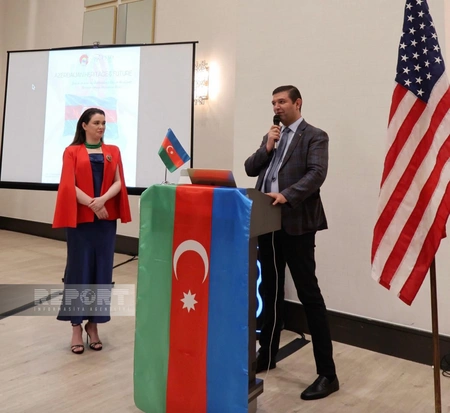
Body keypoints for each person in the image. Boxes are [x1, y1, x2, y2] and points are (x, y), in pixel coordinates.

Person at [244, 85, 338, 400]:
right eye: (273, 102)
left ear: (297, 103)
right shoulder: (272, 135)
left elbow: (316, 174)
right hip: (268, 224)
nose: (277, 106)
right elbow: (250, 168)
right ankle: (267, 353)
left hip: (297, 224)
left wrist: (287, 195)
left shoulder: (315, 136)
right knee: (269, 291)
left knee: (309, 294)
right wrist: (267, 147)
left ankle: (328, 374)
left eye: (282, 101)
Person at [53, 108, 131, 355]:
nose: (101, 127)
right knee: (79, 270)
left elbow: (118, 182)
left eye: (104, 123)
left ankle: (93, 325)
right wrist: (92, 204)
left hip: (105, 220)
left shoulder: (113, 151)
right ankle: (76, 327)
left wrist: (102, 201)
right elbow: (69, 184)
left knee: (102, 272)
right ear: (84, 125)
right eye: (96, 122)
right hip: (81, 221)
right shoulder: (72, 151)